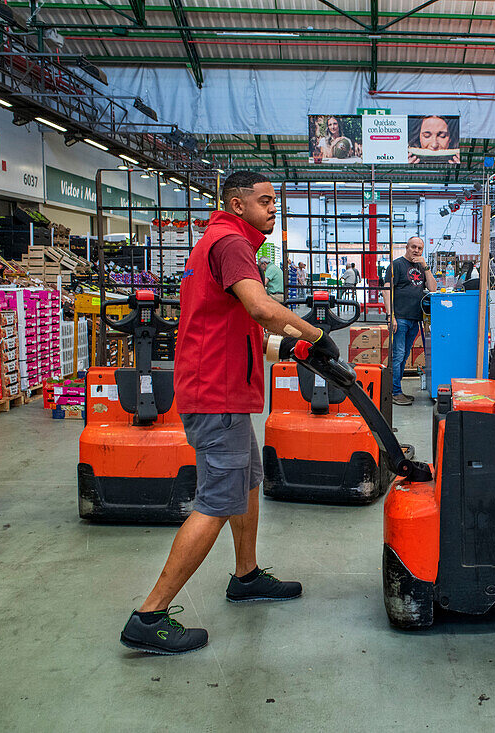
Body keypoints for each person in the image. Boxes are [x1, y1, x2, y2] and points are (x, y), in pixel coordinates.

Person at [119, 172, 340, 655]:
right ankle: (150, 614)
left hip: (224, 391)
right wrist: (315, 335)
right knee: (218, 500)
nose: (273, 208)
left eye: (274, 201)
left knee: (249, 482)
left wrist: (290, 348)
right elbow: (261, 308)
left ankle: (246, 575)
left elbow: (247, 331)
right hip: (216, 395)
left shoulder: (218, 243)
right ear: (237, 204)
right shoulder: (233, 243)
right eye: (264, 201)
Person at [385, 236, 438, 405]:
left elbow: (433, 288)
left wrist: (426, 267)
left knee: (404, 355)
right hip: (399, 318)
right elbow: (387, 290)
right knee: (398, 355)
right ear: (407, 247)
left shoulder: (421, 268)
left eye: (420, 248)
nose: (416, 250)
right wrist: (390, 315)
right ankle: (394, 391)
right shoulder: (396, 265)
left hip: (414, 320)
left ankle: (396, 390)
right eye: (413, 247)